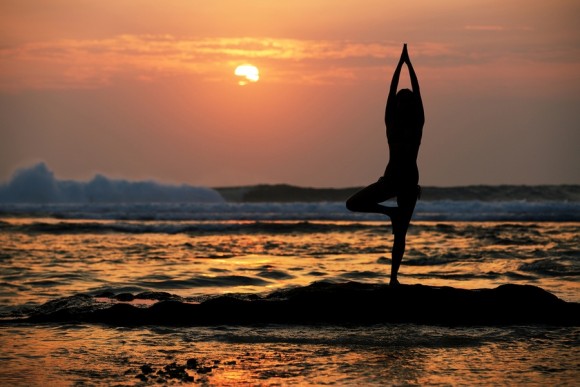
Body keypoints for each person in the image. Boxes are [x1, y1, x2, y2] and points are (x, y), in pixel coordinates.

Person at [346, 44, 424, 286]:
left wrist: (409, 65)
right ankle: (389, 212)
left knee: (401, 234)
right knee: (353, 203)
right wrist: (399, 64)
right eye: (402, 101)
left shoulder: (418, 124)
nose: (405, 103)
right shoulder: (391, 123)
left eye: (408, 101)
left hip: (409, 183)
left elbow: (419, 93)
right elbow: (390, 93)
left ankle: (393, 279)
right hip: (390, 179)